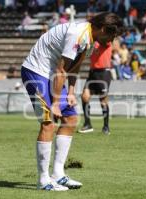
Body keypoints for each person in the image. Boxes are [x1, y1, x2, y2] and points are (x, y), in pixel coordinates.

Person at [21, 12, 123, 191]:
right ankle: (43, 180)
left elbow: (74, 67)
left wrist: (70, 92)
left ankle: (58, 175)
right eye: (112, 34)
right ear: (102, 28)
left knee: (70, 119)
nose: (112, 39)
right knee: (48, 123)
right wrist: (54, 104)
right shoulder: (78, 34)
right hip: (37, 70)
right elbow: (61, 69)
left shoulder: (91, 40)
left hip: (52, 73)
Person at [78, 41, 113, 135]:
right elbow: (88, 53)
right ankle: (87, 124)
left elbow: (107, 42)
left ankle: (106, 127)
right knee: (84, 97)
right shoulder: (92, 41)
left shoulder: (106, 40)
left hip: (103, 73)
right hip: (92, 72)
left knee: (103, 100)